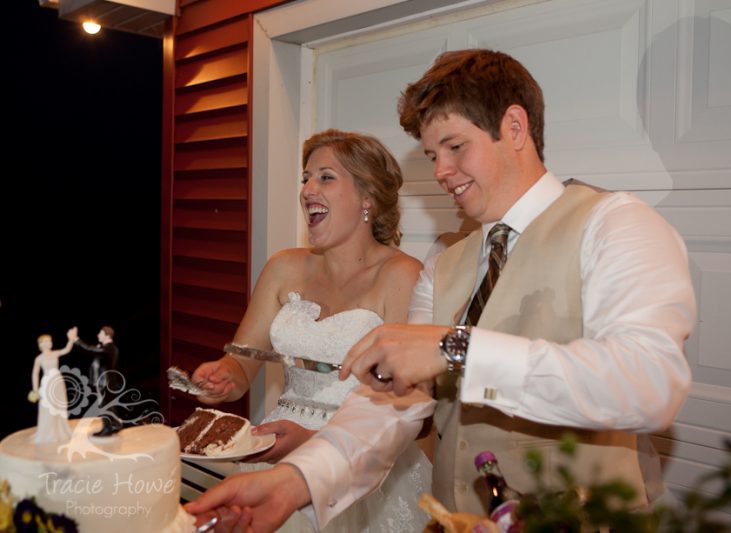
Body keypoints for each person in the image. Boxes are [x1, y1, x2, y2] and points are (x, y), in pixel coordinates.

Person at [187, 49, 696, 532]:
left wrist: (457, 348)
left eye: (455, 147)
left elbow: (649, 384)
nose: (440, 172)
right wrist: (297, 480)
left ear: (514, 127)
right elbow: (390, 405)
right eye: (433, 155)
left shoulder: (615, 224)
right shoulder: (445, 267)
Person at [188, 129, 433, 532]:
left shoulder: (402, 276)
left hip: (364, 461)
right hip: (274, 446)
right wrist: (221, 377)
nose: (307, 189)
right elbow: (241, 366)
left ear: (367, 197)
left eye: (325, 177)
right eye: (306, 178)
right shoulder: (283, 266)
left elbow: (408, 405)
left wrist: (312, 439)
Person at [69, 325, 122, 436]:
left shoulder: (108, 348)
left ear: (107, 335)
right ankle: (115, 424)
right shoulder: (110, 348)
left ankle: (107, 428)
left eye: (100, 333)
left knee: (103, 406)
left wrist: (76, 339)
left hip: (104, 382)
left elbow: (89, 349)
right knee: (108, 405)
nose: (98, 335)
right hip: (107, 381)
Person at [29, 329, 77, 444]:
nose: (49, 342)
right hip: (46, 383)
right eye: (46, 341)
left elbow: (66, 349)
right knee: (48, 407)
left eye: (50, 340)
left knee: (59, 406)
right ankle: (48, 432)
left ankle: (60, 430)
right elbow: (35, 373)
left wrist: (71, 340)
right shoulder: (39, 358)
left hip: (58, 382)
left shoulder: (55, 353)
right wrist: (35, 389)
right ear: (41, 344)